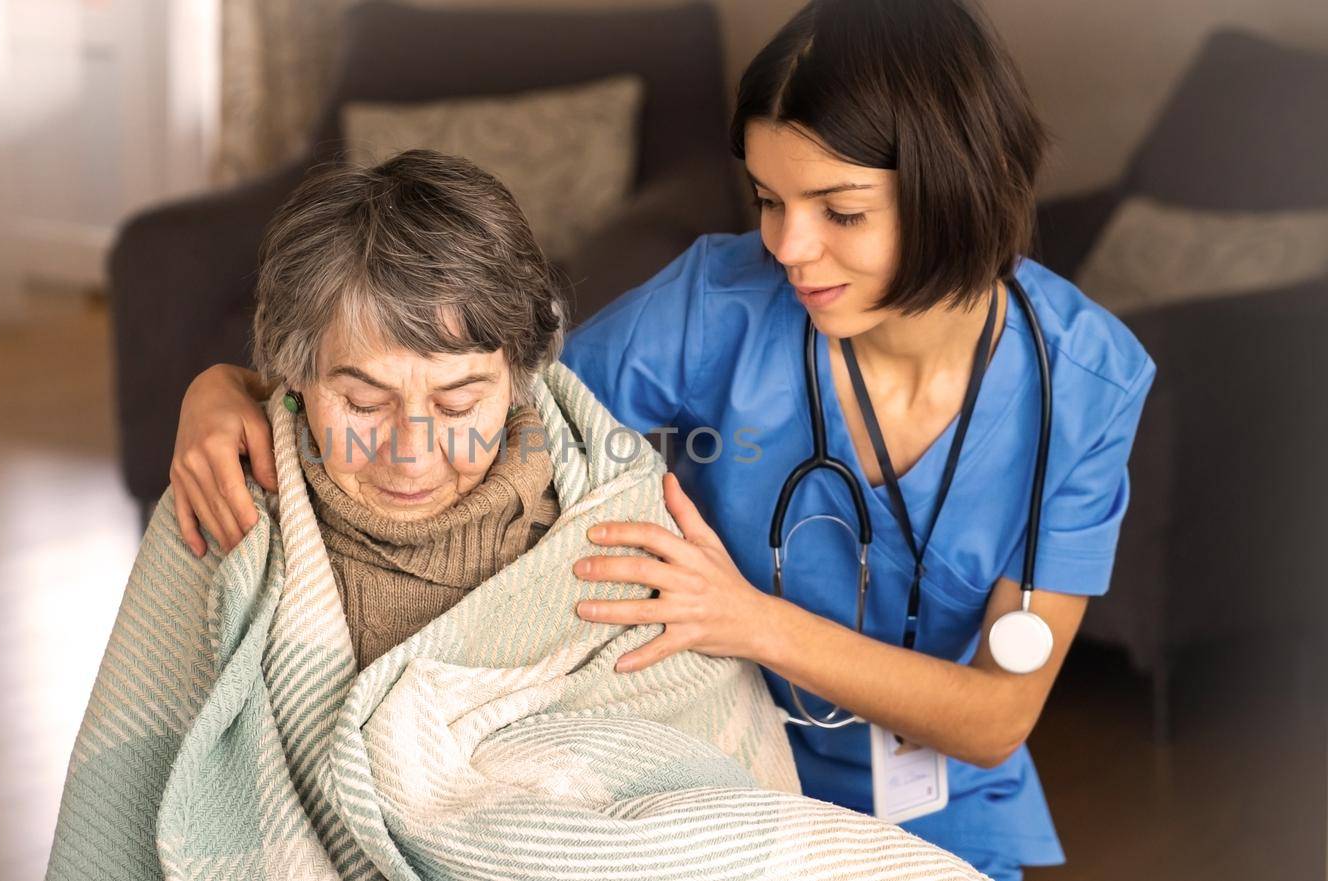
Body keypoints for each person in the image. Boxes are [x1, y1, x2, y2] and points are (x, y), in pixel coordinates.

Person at [164, 2, 1154, 877]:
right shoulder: (716, 302)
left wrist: (747, 616)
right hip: (692, 765)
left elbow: (993, 718)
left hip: (939, 808)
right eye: (767, 200)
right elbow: (490, 400)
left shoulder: (1087, 385)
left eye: (838, 210)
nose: (787, 246)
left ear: (957, 185)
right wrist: (235, 385)